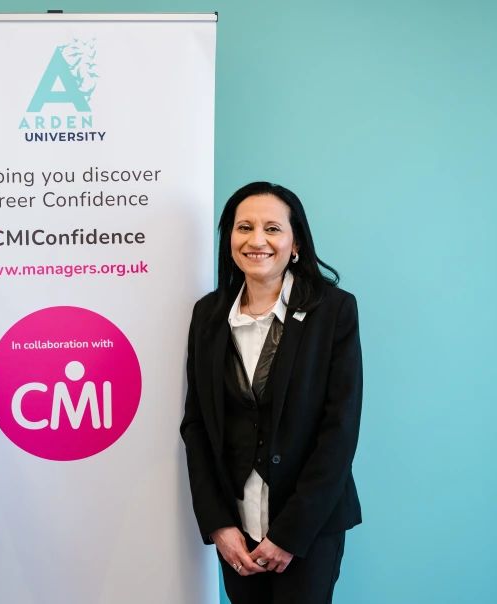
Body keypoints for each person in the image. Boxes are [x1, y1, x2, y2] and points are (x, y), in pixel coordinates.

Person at [180, 182, 362, 604]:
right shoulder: (207, 315)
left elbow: (340, 430)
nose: (256, 240)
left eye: (272, 228)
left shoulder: (333, 311)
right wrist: (218, 524)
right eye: (244, 227)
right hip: (236, 532)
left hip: (309, 529)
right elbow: (197, 425)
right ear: (229, 240)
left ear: (295, 242)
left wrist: (290, 534)